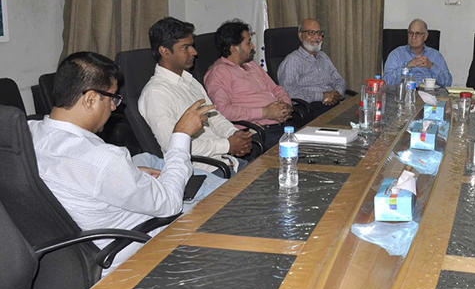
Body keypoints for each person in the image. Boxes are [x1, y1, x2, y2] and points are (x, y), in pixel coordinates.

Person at [28, 52, 219, 274]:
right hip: (127, 248)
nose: (114, 107)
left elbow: (72, 173)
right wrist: (181, 135)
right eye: (111, 98)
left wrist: (131, 173)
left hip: (67, 252)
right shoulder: (103, 159)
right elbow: (170, 204)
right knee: (217, 207)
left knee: (150, 163)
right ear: (90, 99)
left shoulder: (28, 133)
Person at [139, 17, 255, 175]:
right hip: (203, 172)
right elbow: (175, 146)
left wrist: (234, 134)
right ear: (164, 51)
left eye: (192, 46)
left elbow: (214, 116)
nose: (194, 52)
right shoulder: (155, 94)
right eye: (185, 47)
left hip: (226, 162)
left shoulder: (189, 80)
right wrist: (227, 145)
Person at [204, 19, 294, 149]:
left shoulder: (251, 65)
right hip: (259, 133)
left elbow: (276, 89)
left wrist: (286, 105)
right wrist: (264, 112)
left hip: (282, 126)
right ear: (234, 48)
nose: (252, 47)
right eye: (248, 43)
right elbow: (222, 111)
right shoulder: (218, 73)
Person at [277, 18, 347, 121]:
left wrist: (336, 93)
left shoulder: (323, 57)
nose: (317, 37)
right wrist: (321, 96)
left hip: (332, 103)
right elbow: (288, 92)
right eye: (311, 33)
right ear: (301, 36)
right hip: (309, 107)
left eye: (319, 33)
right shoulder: (293, 60)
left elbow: (339, 80)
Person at [383, 19, 453, 87]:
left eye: (418, 33)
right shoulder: (397, 54)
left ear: (425, 36)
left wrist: (431, 66)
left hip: (430, 95)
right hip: (403, 95)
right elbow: (386, 81)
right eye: (411, 33)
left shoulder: (435, 55)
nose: (413, 37)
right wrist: (407, 67)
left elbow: (448, 83)